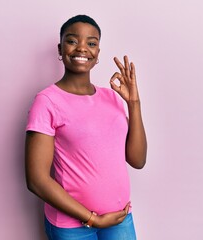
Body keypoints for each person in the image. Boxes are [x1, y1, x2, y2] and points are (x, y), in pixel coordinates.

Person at [25, 14, 147, 240]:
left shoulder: (111, 97)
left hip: (119, 219)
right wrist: (92, 219)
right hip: (73, 227)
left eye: (91, 43)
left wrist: (134, 103)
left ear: (97, 53)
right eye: (72, 41)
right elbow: (36, 179)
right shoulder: (47, 101)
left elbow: (137, 160)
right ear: (60, 49)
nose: (82, 48)